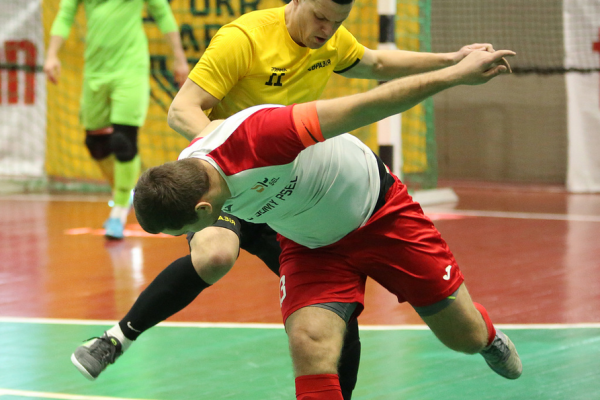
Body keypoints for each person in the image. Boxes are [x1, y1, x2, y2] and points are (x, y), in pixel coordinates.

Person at [70, 0, 494, 397]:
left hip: (290, 195)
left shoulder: (331, 39)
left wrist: (453, 60)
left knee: (333, 314)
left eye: (337, 22)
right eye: (320, 17)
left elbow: (378, 63)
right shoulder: (244, 38)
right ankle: (116, 338)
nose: (327, 29)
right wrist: (234, 157)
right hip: (228, 183)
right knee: (215, 254)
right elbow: (182, 110)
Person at [44, 0, 189, 240]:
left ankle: (119, 212)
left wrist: (179, 57)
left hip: (130, 68)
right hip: (95, 70)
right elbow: (65, 15)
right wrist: (51, 55)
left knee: (123, 140)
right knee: (96, 144)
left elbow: (162, 13)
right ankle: (125, 190)